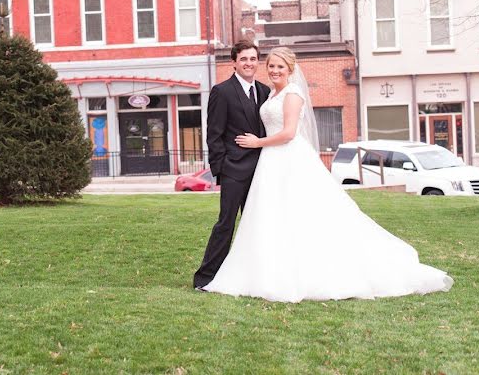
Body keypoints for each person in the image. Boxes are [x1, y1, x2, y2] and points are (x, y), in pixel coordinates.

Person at [203, 47, 453, 302]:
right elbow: (218, 131)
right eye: (271, 66)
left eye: (279, 66)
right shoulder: (265, 94)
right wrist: (223, 167)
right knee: (263, 217)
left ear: (290, 69)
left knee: (297, 216)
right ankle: (241, 272)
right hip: (265, 163)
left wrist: (257, 143)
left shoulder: (290, 93)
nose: (274, 70)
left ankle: (300, 271)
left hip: (286, 158)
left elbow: (289, 133)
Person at [193, 40, 271, 290]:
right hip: (234, 171)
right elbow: (214, 134)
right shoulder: (222, 91)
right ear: (234, 62)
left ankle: (254, 276)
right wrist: (221, 169)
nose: (249, 63)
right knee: (226, 223)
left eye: (253, 59)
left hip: (260, 170)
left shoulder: (265, 91)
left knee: (257, 224)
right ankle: (206, 277)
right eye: (244, 59)